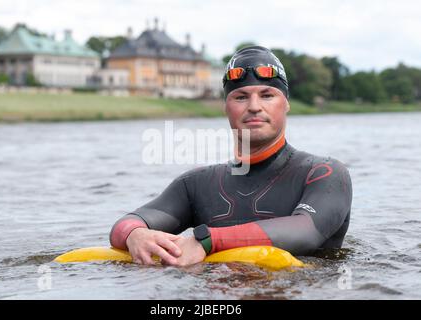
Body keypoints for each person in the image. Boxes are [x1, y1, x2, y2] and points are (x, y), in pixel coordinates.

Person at [109, 46, 353, 266]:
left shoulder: (324, 173)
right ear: (226, 106)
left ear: (286, 103)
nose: (254, 106)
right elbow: (126, 224)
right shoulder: (195, 185)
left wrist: (207, 241)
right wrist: (136, 235)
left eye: (267, 95)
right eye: (241, 97)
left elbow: (305, 232)